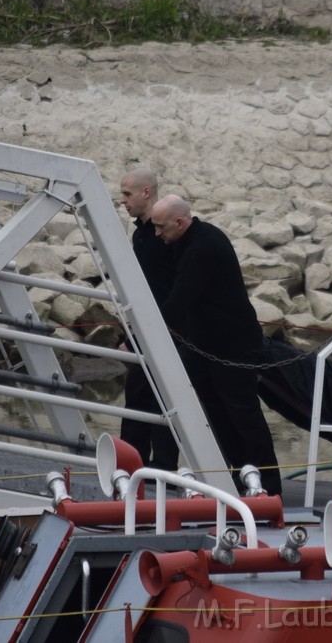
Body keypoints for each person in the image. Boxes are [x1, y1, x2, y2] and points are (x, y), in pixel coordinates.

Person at [150, 194, 282, 497]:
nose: (157, 234)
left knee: (244, 415)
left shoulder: (203, 246)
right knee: (213, 411)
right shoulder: (187, 239)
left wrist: (146, 328)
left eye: (161, 227)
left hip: (232, 346)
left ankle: (270, 487)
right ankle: (238, 477)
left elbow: (181, 298)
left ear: (180, 222)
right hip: (204, 344)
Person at [117, 168, 179, 470]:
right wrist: (128, 335)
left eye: (127, 193)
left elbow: (169, 288)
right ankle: (130, 468)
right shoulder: (140, 234)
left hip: (169, 332)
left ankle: (163, 470)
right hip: (146, 330)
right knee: (137, 400)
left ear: (146, 192)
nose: (122, 200)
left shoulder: (165, 232)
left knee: (162, 404)